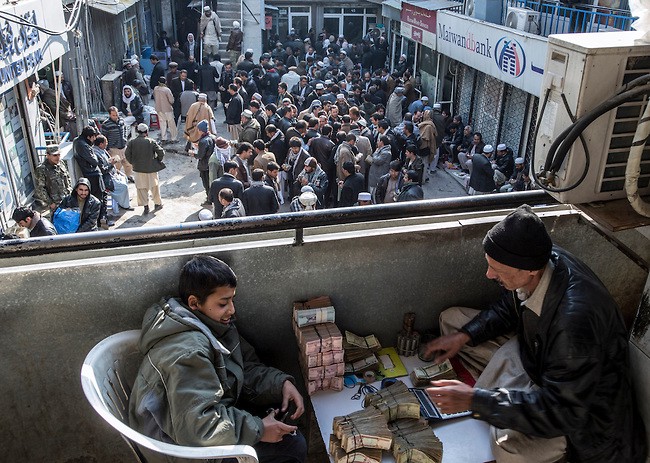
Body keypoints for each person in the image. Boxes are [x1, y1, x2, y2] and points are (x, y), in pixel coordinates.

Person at [422, 204, 647, 463]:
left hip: (577, 418)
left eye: (498, 269)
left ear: (529, 270)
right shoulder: (543, 259)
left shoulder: (574, 324)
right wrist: (465, 335)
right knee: (451, 320)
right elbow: (511, 304)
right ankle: (504, 391)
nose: (489, 274)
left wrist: (476, 401)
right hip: (541, 360)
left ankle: (504, 399)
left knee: (507, 448)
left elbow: (562, 412)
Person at [129, 256, 306, 461]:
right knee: (293, 446)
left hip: (201, 422)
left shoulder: (210, 322)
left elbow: (241, 368)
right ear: (194, 302)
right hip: (179, 449)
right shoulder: (188, 353)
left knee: (280, 411)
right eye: (223, 303)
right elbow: (199, 427)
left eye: (232, 300)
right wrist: (259, 429)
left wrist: (279, 384)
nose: (232, 309)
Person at [125, 123, 166, 214]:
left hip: (138, 169)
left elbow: (127, 154)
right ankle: (157, 204)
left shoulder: (132, 142)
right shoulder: (151, 141)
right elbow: (161, 152)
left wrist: (133, 162)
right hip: (151, 169)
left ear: (137, 131)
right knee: (154, 187)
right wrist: (157, 161)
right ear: (146, 132)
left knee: (141, 188)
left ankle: (146, 206)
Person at [73, 125, 107, 228]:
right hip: (93, 175)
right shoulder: (84, 145)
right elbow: (94, 161)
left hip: (91, 174)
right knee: (99, 199)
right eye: (93, 137)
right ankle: (99, 221)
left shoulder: (77, 141)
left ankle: (100, 220)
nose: (94, 139)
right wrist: (95, 156)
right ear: (89, 137)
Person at [33, 145, 72, 213]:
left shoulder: (61, 163)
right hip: (55, 203)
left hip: (67, 199)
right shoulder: (42, 169)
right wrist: (50, 203)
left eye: (59, 155)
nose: (58, 157)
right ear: (48, 156)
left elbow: (68, 179)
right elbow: (40, 189)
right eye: (55, 155)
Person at [101, 107, 134, 181]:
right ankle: (118, 179)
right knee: (117, 166)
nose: (116, 116)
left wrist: (125, 138)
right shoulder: (106, 124)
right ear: (110, 115)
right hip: (113, 149)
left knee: (128, 163)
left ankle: (129, 176)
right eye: (113, 115)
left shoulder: (121, 120)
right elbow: (104, 136)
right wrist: (107, 149)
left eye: (116, 114)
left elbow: (125, 129)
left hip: (123, 147)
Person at [194, 120, 215, 206]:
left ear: (201, 130)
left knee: (206, 183)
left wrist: (193, 153)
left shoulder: (203, 141)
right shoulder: (212, 137)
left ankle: (209, 200)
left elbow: (200, 156)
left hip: (205, 165)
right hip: (212, 163)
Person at [152, 77, 177, 143]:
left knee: (162, 123)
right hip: (167, 109)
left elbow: (154, 97)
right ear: (165, 82)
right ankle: (173, 138)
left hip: (159, 108)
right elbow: (171, 100)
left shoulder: (155, 88)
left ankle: (164, 138)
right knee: (171, 124)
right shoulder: (167, 90)